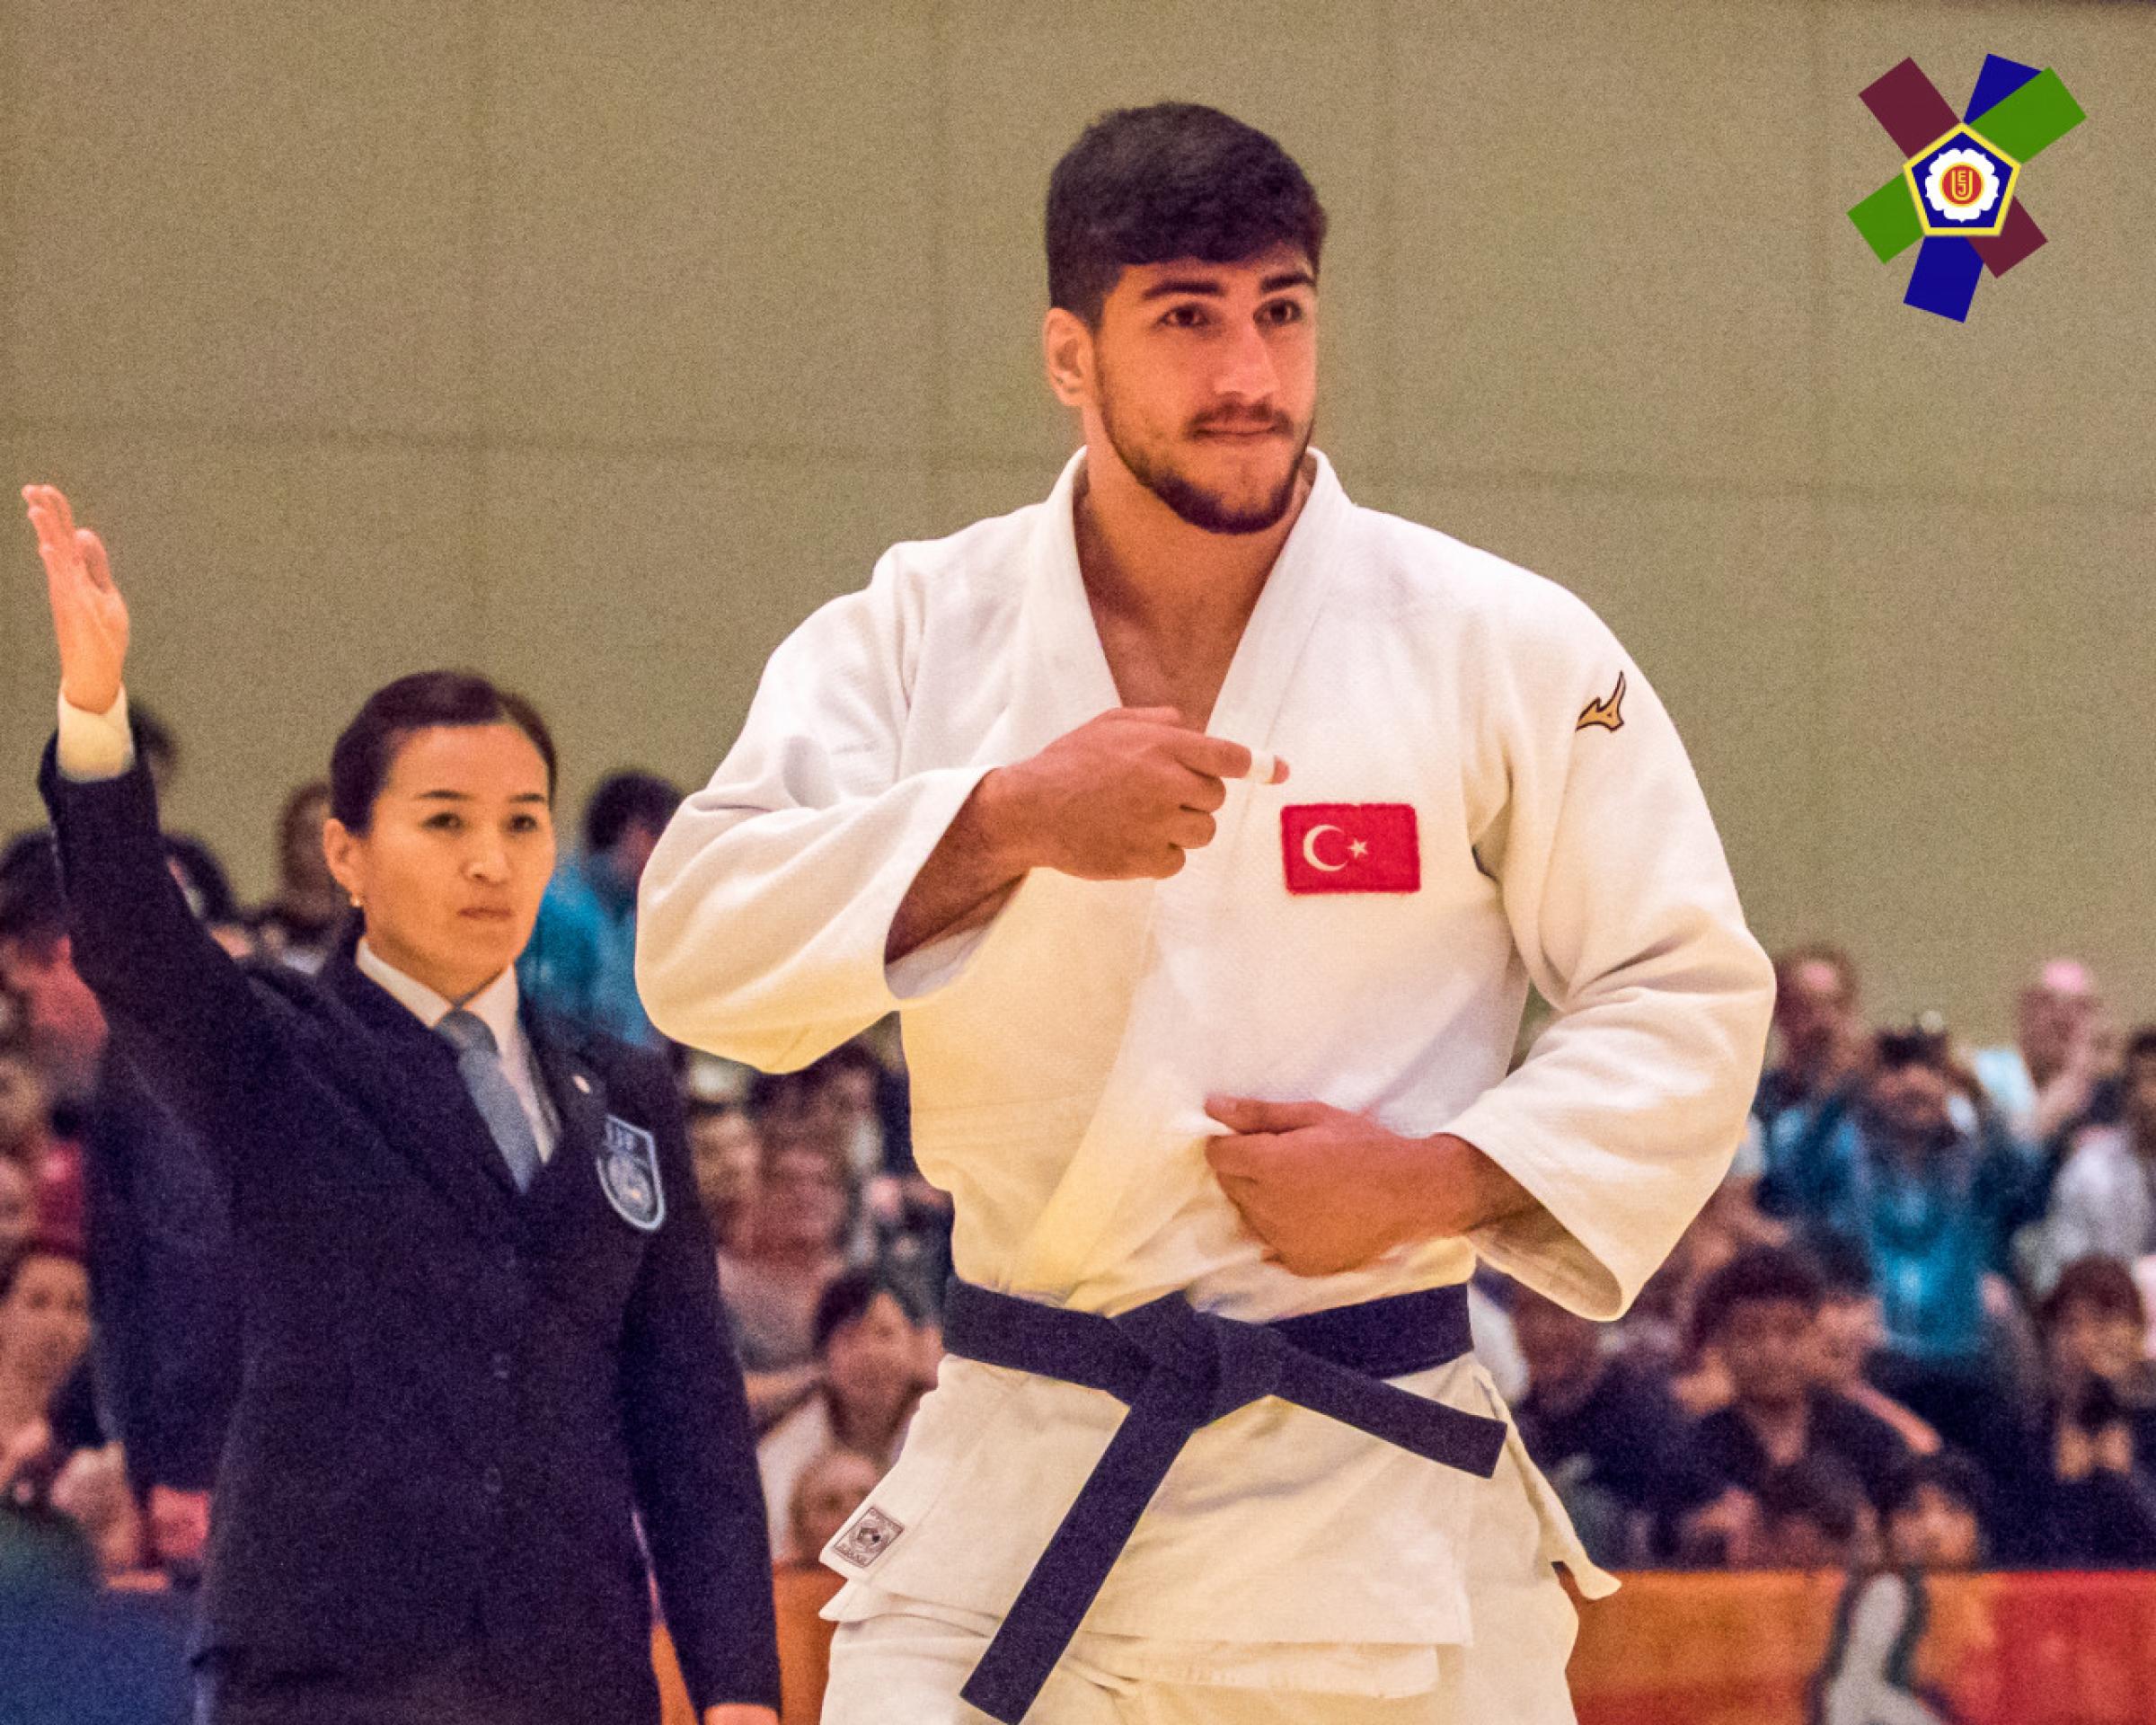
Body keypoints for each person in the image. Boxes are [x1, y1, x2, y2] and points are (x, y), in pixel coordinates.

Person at [636, 102, 1774, 1724]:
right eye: (1186, 317)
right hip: (1021, 1482)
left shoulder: (1506, 644)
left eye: (1281, 312)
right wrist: (1006, 819)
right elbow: (695, 947)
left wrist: (1439, 1178)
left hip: (1372, 1502)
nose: (1250, 373)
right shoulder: (920, 631)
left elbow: (1684, 988)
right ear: (1070, 356)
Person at [21, 484, 778, 1725]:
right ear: (347, 854)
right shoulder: (276, 1050)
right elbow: (133, 942)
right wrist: (97, 715)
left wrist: (738, 1687)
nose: (491, 858)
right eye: (445, 821)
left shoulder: (625, 1091)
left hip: (574, 1672)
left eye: (522, 822)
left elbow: (687, 1412)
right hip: (327, 1671)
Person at [1684, 1247, 1911, 1522]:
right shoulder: (1693, 1452)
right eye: (1750, 1332)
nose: (1772, 1351)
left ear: (1817, 1335)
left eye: (1791, 1331)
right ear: (1721, 1343)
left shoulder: (1870, 1440)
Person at [756, 1270, 935, 1557]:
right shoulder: (784, 1449)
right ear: (822, 1358)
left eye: (885, 1334)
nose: (869, 1353)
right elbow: (775, 1547)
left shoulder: (950, 1432)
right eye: (850, 1338)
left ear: (918, 1345)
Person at [518, 769, 682, 1048]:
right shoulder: (559, 913)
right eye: (666, 840)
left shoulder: (635, 916)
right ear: (634, 833)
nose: (674, 859)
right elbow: (553, 1037)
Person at [2034, 1025, 2156, 1292]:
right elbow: (2063, 1270)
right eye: (2135, 1082)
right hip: (2111, 1308)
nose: (2146, 1095)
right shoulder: (2088, 1170)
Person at [249, 780, 344, 971]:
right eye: (309, 835)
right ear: (289, 842)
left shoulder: (368, 932)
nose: (320, 847)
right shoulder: (259, 931)